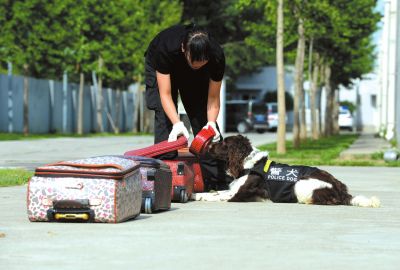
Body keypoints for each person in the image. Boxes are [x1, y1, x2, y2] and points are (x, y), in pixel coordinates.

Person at [144, 23, 230, 191]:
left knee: (201, 117)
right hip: (163, 66)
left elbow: (212, 98)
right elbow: (165, 94)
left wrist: (211, 123)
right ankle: (165, 181)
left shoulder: (216, 56)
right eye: (195, 61)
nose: (198, 65)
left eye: (202, 62)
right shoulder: (165, 47)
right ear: (184, 48)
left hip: (192, 74)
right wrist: (177, 124)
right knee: (165, 120)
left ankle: (216, 181)